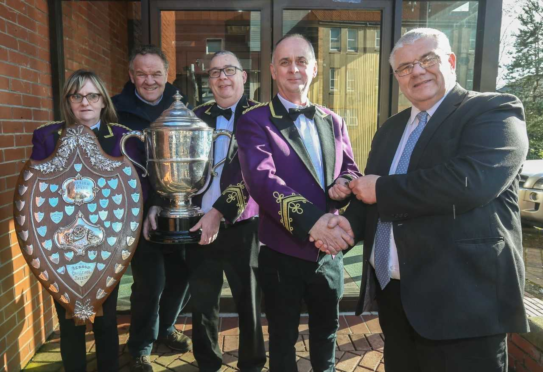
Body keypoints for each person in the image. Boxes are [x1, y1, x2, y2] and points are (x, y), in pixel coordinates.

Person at [318, 28, 530, 372]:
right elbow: (370, 196)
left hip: (465, 305)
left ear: (450, 61)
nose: (416, 71)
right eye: (404, 67)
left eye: (427, 59)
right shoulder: (390, 129)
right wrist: (345, 225)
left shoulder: (493, 111)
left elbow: (471, 182)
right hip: (397, 300)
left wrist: (382, 189)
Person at [236, 34, 361, 372]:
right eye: (285, 62)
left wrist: (344, 184)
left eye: (301, 61)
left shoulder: (333, 120)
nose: (294, 69)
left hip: (328, 253)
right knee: (282, 339)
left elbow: (350, 168)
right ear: (273, 71)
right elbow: (262, 180)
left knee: (327, 334)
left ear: (315, 69)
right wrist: (315, 224)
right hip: (283, 252)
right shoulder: (254, 120)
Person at [145, 50, 266, 372]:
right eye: (214, 72)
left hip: (244, 224)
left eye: (229, 70)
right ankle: (207, 364)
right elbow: (172, 168)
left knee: (249, 301)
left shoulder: (262, 117)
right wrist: (162, 200)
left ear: (244, 76)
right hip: (198, 222)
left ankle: (252, 365)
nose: (222, 77)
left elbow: (258, 176)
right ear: (208, 81)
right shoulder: (195, 116)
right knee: (203, 304)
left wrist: (221, 212)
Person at [30, 69, 146, 372]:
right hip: (61, 247)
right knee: (69, 323)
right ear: (68, 101)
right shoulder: (46, 136)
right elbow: (36, 194)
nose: (85, 102)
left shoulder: (120, 137)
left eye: (92, 95)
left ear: (102, 100)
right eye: (77, 95)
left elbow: (135, 190)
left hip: (106, 244)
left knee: (107, 321)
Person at [112, 45, 192, 372]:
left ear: (166, 74)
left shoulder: (183, 106)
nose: (149, 80)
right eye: (142, 74)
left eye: (156, 73)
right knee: (150, 282)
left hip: (178, 206)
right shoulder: (115, 110)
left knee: (182, 276)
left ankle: (166, 327)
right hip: (139, 210)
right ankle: (140, 345)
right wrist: (143, 205)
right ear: (131, 76)